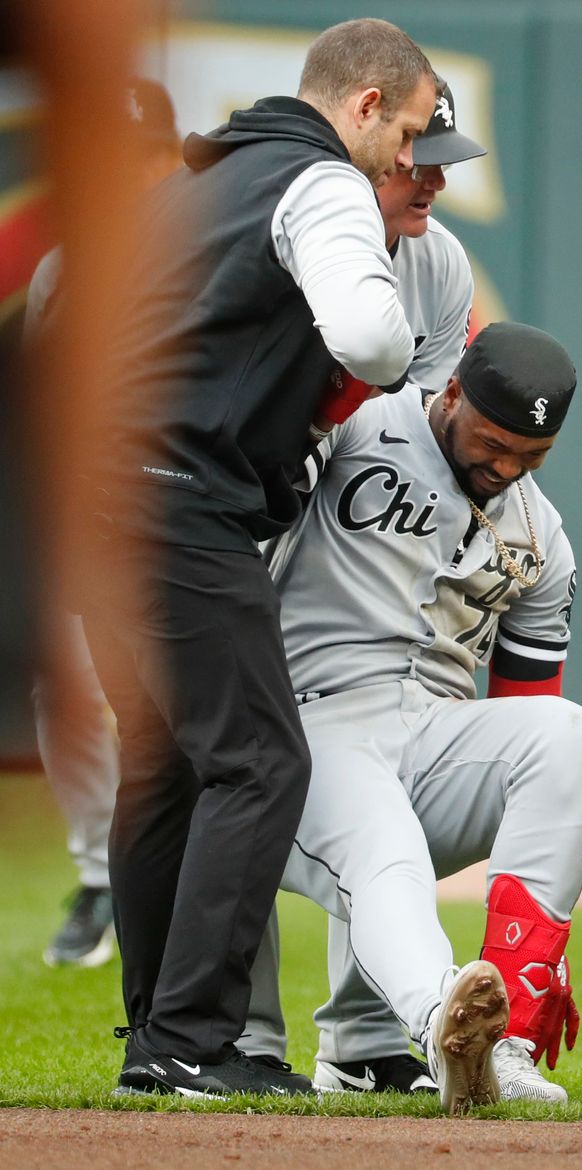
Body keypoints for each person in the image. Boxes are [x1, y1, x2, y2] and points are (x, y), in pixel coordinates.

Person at [74, 18, 438, 1099]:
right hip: (178, 501)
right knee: (261, 761)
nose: (413, 158)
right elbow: (373, 338)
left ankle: (156, 1035)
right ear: (365, 106)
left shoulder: (198, 179)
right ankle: (191, 1039)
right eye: (411, 129)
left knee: (165, 764)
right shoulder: (320, 181)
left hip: (95, 501)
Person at [264, 321, 582, 1106]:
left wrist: (541, 946)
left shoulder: (538, 533)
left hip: (429, 737)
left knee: (567, 737)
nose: (506, 467)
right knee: (384, 837)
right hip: (304, 727)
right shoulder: (357, 428)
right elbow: (244, 518)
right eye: (493, 442)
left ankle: (500, 1042)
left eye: (532, 456)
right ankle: (438, 1028)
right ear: (450, 391)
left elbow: (527, 712)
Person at [241, 80, 488, 1093]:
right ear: (371, 138)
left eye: (445, 157)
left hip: (349, 520)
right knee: (225, 762)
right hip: (230, 505)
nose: (433, 176)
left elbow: (418, 432)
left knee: (379, 740)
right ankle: (235, 1038)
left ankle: (369, 1041)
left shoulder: (435, 263)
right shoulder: (290, 218)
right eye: (417, 155)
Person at [25, 78, 183, 970]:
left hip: (202, 515)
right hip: (95, 524)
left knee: (188, 712)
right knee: (67, 690)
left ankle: (182, 883)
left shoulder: (219, 243)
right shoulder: (67, 268)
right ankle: (100, 878)